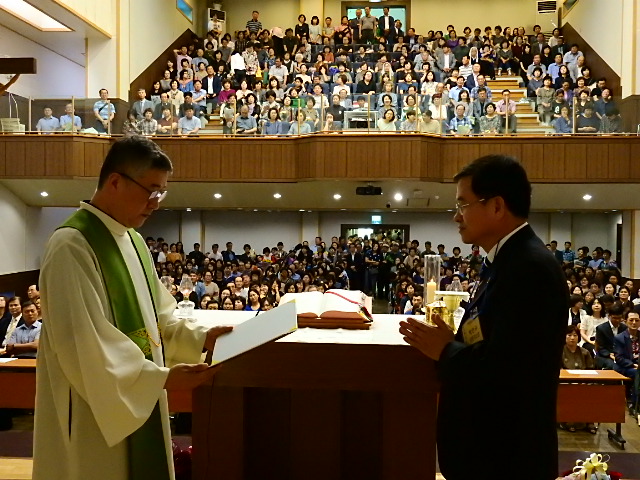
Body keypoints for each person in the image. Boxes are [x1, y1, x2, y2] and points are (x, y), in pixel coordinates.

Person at [33, 136, 233, 480]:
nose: (156, 203)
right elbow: (84, 343)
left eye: (162, 193)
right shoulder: (72, 244)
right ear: (115, 181)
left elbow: (159, 321)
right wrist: (162, 378)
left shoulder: (134, 241)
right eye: (151, 191)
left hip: (139, 397)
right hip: (92, 413)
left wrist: (202, 339)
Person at [399, 155, 567, 480]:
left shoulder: (529, 268)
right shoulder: (502, 261)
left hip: (506, 459)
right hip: (488, 454)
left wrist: (446, 350)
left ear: (496, 206)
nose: (455, 217)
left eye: (463, 204)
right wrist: (452, 340)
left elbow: (509, 369)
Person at [595, 301, 627, 369]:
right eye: (615, 318)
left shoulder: (624, 328)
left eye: (619, 318)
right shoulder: (601, 328)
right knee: (613, 366)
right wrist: (610, 354)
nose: (617, 320)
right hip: (605, 356)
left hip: (620, 356)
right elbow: (600, 347)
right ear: (609, 316)